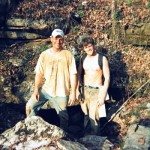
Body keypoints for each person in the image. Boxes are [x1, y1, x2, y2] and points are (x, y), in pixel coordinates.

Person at [26, 29, 77, 131]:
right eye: (56, 38)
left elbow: (73, 74)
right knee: (30, 106)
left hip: (62, 91)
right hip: (46, 89)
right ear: (51, 38)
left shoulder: (68, 55)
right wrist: (36, 90)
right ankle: (32, 129)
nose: (58, 41)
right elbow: (39, 74)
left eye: (60, 39)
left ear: (63, 40)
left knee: (63, 117)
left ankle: (64, 137)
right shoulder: (44, 55)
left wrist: (73, 92)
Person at [77, 37, 110, 135]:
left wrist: (102, 96)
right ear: (83, 49)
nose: (88, 49)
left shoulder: (102, 59)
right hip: (85, 90)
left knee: (94, 117)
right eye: (86, 47)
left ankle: (95, 140)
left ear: (94, 45)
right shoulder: (83, 58)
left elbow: (107, 78)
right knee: (86, 115)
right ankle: (86, 139)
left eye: (90, 46)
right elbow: (78, 74)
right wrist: (77, 90)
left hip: (97, 91)